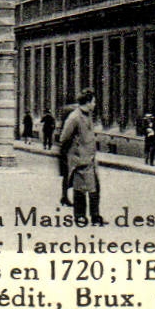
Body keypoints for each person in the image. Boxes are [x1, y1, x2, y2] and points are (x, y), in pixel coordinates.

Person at [58, 88, 103, 225]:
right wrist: (75, 152)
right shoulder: (74, 117)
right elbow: (64, 137)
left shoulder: (88, 115)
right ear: (88, 102)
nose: (95, 104)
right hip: (80, 159)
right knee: (80, 189)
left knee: (95, 187)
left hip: (90, 158)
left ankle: (95, 216)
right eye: (93, 102)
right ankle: (80, 216)